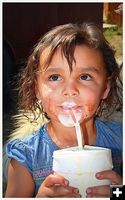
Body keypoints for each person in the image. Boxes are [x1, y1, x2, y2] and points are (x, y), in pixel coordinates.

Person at [5, 22, 122, 197]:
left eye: (84, 76)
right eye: (54, 77)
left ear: (105, 87)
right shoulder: (25, 155)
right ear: (37, 89)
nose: (70, 90)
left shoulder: (121, 140)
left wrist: (118, 192)